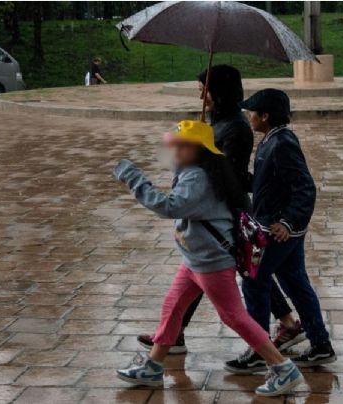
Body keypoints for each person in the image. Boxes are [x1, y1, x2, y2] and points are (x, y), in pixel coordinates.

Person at [113, 120, 303, 396]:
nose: (174, 151)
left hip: (211, 262)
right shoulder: (199, 171)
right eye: (173, 145)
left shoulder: (199, 178)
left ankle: (283, 368)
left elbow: (170, 206)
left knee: (234, 316)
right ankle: (153, 366)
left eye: (181, 146)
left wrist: (133, 178)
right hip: (194, 260)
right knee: (173, 307)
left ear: (199, 149)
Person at [136, 66, 305, 366]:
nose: (201, 94)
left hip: (225, 212)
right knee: (209, 274)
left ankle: (281, 353)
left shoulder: (237, 128)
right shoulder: (217, 122)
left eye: (206, 88)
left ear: (221, 91)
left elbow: (230, 174)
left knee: (244, 278)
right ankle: (173, 337)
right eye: (199, 87)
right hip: (206, 212)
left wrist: (199, 158)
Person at [228, 89, 336, 370]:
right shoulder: (270, 140)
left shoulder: (282, 143)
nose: (248, 116)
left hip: (278, 231)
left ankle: (259, 349)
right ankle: (321, 344)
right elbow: (269, 183)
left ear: (265, 115)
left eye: (252, 111)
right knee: (296, 283)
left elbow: (305, 187)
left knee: (254, 282)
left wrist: (288, 222)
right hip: (278, 227)